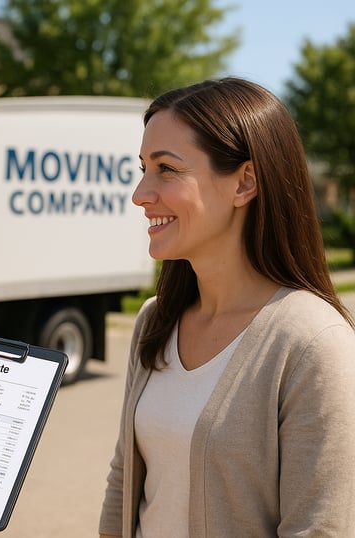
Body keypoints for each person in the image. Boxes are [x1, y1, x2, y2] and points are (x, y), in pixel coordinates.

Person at [98, 77, 355, 537]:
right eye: (142, 168)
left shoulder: (314, 344)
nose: (140, 194)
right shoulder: (154, 322)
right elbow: (124, 486)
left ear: (245, 183)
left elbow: (320, 528)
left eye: (166, 169)